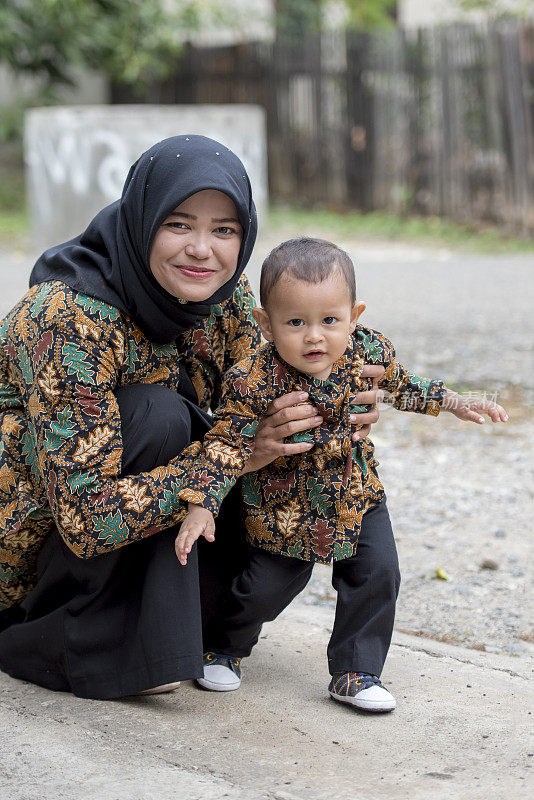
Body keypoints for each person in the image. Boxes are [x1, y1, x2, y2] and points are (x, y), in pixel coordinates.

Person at [0, 137, 381, 699]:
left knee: (278, 442)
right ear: (141, 219)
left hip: (149, 517)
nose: (203, 249)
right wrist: (234, 458)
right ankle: (74, 639)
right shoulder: (67, 319)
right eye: (179, 224)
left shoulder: (221, 298)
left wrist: (338, 401)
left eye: (224, 230)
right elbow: (86, 517)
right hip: (31, 560)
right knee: (157, 414)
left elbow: (275, 389)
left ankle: (191, 630)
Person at [174, 237, 508, 712]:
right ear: (266, 325)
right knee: (263, 588)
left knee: (378, 572)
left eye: (330, 320)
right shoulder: (253, 377)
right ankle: (224, 647)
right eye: (296, 322)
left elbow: (403, 385)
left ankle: (355, 671)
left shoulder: (366, 350)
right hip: (283, 506)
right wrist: (202, 502)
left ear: (354, 315)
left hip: (356, 494)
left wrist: (455, 401)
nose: (314, 336)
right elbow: (226, 442)